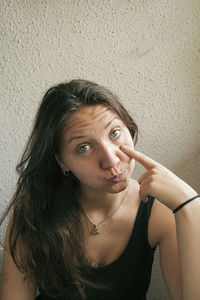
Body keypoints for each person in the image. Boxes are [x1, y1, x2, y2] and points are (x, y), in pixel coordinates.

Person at [0, 79, 199, 300]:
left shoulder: (158, 209)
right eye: (84, 148)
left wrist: (189, 204)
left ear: (128, 128)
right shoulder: (33, 213)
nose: (111, 161)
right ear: (61, 161)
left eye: (114, 133)